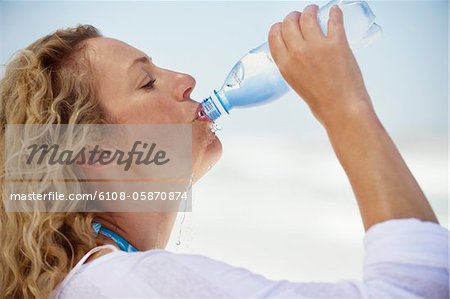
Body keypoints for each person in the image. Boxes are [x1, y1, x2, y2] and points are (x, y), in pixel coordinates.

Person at [0, 4, 447, 299]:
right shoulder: (127, 284)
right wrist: (345, 106)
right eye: (147, 81)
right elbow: (419, 289)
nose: (187, 78)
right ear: (90, 153)